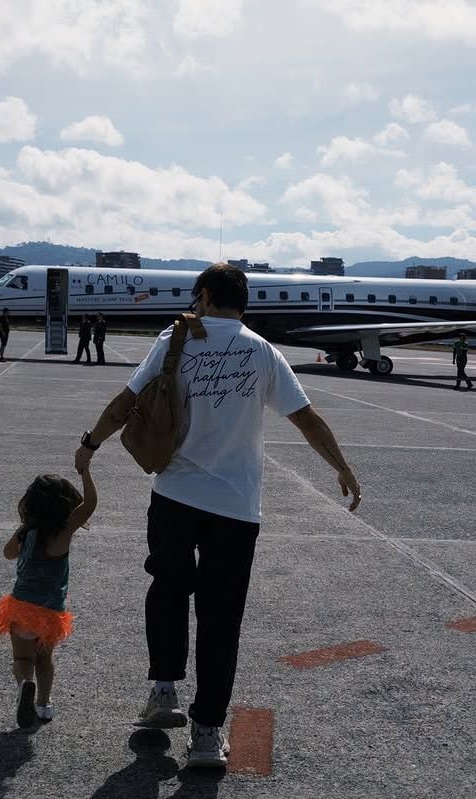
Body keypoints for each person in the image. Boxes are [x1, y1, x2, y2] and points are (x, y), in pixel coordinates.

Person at [74, 263, 361, 767]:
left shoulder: (174, 340)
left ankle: (164, 691)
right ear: (243, 301)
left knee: (166, 589)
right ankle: (207, 734)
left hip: (175, 495)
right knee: (221, 616)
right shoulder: (262, 351)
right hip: (236, 506)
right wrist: (342, 467)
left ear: (204, 296)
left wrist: (90, 444)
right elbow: (306, 417)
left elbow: (125, 403)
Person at [0, 467, 97, 727]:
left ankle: (25, 683)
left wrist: (22, 532)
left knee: (22, 659)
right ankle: (44, 704)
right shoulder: (62, 534)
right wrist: (85, 471)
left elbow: (8, 554)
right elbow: (90, 504)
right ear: (65, 506)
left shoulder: (25, 532)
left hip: (20, 607)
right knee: (44, 659)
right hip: (49, 613)